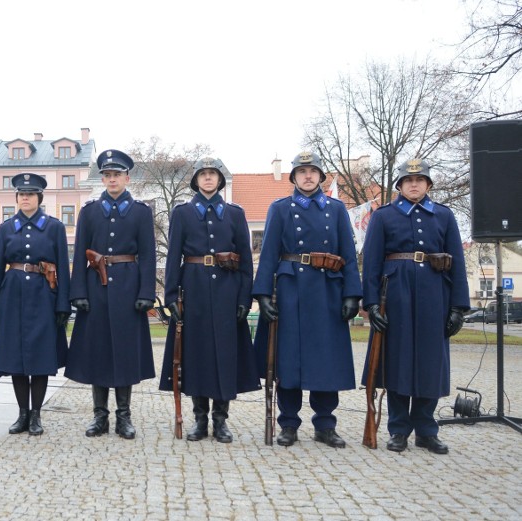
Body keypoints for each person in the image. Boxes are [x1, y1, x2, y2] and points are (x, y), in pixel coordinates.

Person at [252, 151, 362, 448]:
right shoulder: (281, 208)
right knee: (289, 360)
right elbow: (269, 253)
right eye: (302, 172)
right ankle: (288, 423)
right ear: (294, 177)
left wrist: (353, 293)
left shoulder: (337, 210)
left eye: (313, 171)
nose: (308, 176)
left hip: (328, 289)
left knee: (326, 361)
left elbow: (349, 255)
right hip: (291, 290)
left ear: (321, 176)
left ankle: (325, 425)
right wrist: (262, 293)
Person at [361, 159, 468, 455]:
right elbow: (370, 262)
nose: (414, 184)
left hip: (436, 296)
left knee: (430, 364)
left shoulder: (444, 216)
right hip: (394, 296)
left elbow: (456, 261)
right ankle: (398, 430)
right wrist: (371, 303)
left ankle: (426, 430)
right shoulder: (383, 216)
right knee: (397, 363)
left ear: (429, 184)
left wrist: (458, 306)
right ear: (399, 185)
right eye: (408, 180)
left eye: (420, 179)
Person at [158, 157, 259, 443]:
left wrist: (243, 297)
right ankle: (200, 419)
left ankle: (221, 420)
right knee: (196, 355)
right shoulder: (183, 213)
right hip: (194, 290)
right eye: (203, 174)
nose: (208, 179)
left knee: (225, 357)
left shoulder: (235, 214)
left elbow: (245, 261)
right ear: (196, 180)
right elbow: (173, 255)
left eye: (213, 174)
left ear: (220, 180)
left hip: (228, 290)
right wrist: (172, 295)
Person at [66, 149, 156, 440]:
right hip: (95, 288)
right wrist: (78, 290)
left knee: (126, 354)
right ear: (102, 178)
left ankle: (123, 417)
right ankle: (99, 416)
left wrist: (147, 292)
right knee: (98, 353)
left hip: (129, 289)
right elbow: (79, 252)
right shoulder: (89, 212)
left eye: (117, 174)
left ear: (127, 178)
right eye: (107, 175)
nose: (112, 179)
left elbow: (148, 255)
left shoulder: (141, 212)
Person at [0, 172, 71, 436]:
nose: (25, 198)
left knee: (41, 358)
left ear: (39, 198)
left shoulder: (54, 227)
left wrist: (63, 305)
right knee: (16, 359)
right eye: (21, 195)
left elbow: (64, 269)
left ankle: (36, 415)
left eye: (30, 194)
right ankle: (22, 414)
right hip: (12, 296)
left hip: (45, 295)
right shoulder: (6, 228)